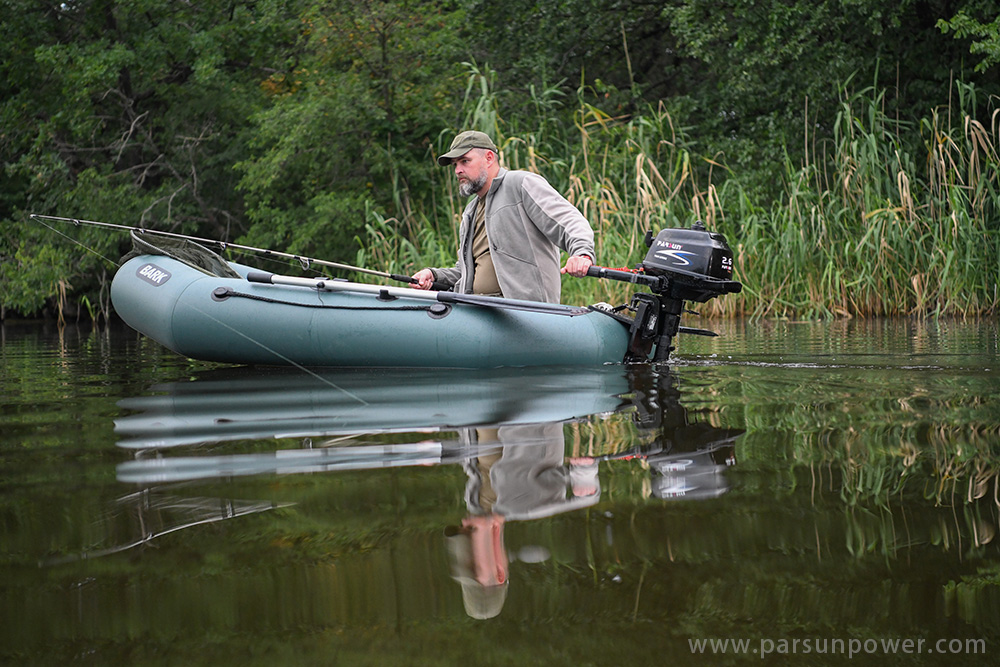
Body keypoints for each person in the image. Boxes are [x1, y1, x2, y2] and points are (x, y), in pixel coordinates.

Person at [412, 130, 596, 303]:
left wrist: (582, 254)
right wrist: (434, 275)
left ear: (489, 158)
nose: (457, 170)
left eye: (464, 161)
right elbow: (466, 271)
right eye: (455, 165)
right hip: (478, 312)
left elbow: (570, 221)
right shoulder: (471, 211)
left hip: (524, 313)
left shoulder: (520, 183)